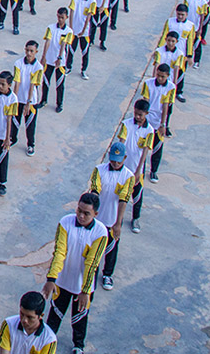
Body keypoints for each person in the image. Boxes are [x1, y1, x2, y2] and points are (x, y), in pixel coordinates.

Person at [43, 193, 108, 354]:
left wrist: (85, 290)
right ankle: (46, 344)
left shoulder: (101, 232)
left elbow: (92, 263)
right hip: (62, 281)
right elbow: (59, 253)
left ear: (95, 214)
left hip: (83, 285)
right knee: (55, 314)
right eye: (79, 210)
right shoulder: (65, 222)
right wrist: (52, 278)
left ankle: (78, 346)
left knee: (80, 317)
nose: (81, 216)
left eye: (86, 213)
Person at [90, 142, 134, 291]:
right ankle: (91, 272)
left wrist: (118, 223)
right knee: (93, 248)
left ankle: (107, 274)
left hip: (112, 219)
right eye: (113, 160)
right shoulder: (99, 170)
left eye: (118, 161)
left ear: (125, 158)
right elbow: (95, 190)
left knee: (111, 249)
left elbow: (123, 200)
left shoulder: (128, 176)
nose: (115, 164)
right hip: (97, 218)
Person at [116, 99, 154, 234]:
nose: (137, 117)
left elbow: (145, 152)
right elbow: (121, 143)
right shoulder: (126, 124)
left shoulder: (149, 131)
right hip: (123, 166)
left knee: (137, 195)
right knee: (119, 193)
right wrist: (118, 162)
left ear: (146, 114)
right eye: (136, 113)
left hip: (137, 167)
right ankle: (117, 217)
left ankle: (135, 218)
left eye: (140, 115)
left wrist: (138, 171)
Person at [140, 64, 175, 183]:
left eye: (162, 76)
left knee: (157, 147)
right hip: (147, 119)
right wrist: (143, 119)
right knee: (142, 146)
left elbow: (166, 106)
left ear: (168, 76)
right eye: (158, 75)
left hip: (158, 121)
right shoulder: (148, 84)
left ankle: (153, 171)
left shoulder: (171, 87)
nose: (159, 78)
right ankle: (141, 170)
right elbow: (145, 101)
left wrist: (163, 124)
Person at [11, 41, 44, 155]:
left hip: (31, 101)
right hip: (19, 98)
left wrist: (28, 103)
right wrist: (14, 99)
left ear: (36, 52)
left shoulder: (38, 67)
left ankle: (31, 145)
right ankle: (13, 138)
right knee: (15, 120)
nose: (29, 53)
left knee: (30, 124)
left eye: (31, 51)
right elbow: (17, 82)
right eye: (27, 50)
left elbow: (32, 85)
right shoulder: (18, 63)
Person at [39, 8, 72, 113]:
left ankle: (59, 103)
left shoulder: (69, 31)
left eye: (62, 17)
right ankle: (44, 100)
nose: (60, 19)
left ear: (66, 17)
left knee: (59, 83)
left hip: (60, 62)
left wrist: (59, 58)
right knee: (46, 81)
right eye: (58, 17)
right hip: (49, 59)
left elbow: (63, 44)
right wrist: (44, 56)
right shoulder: (50, 28)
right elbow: (47, 41)